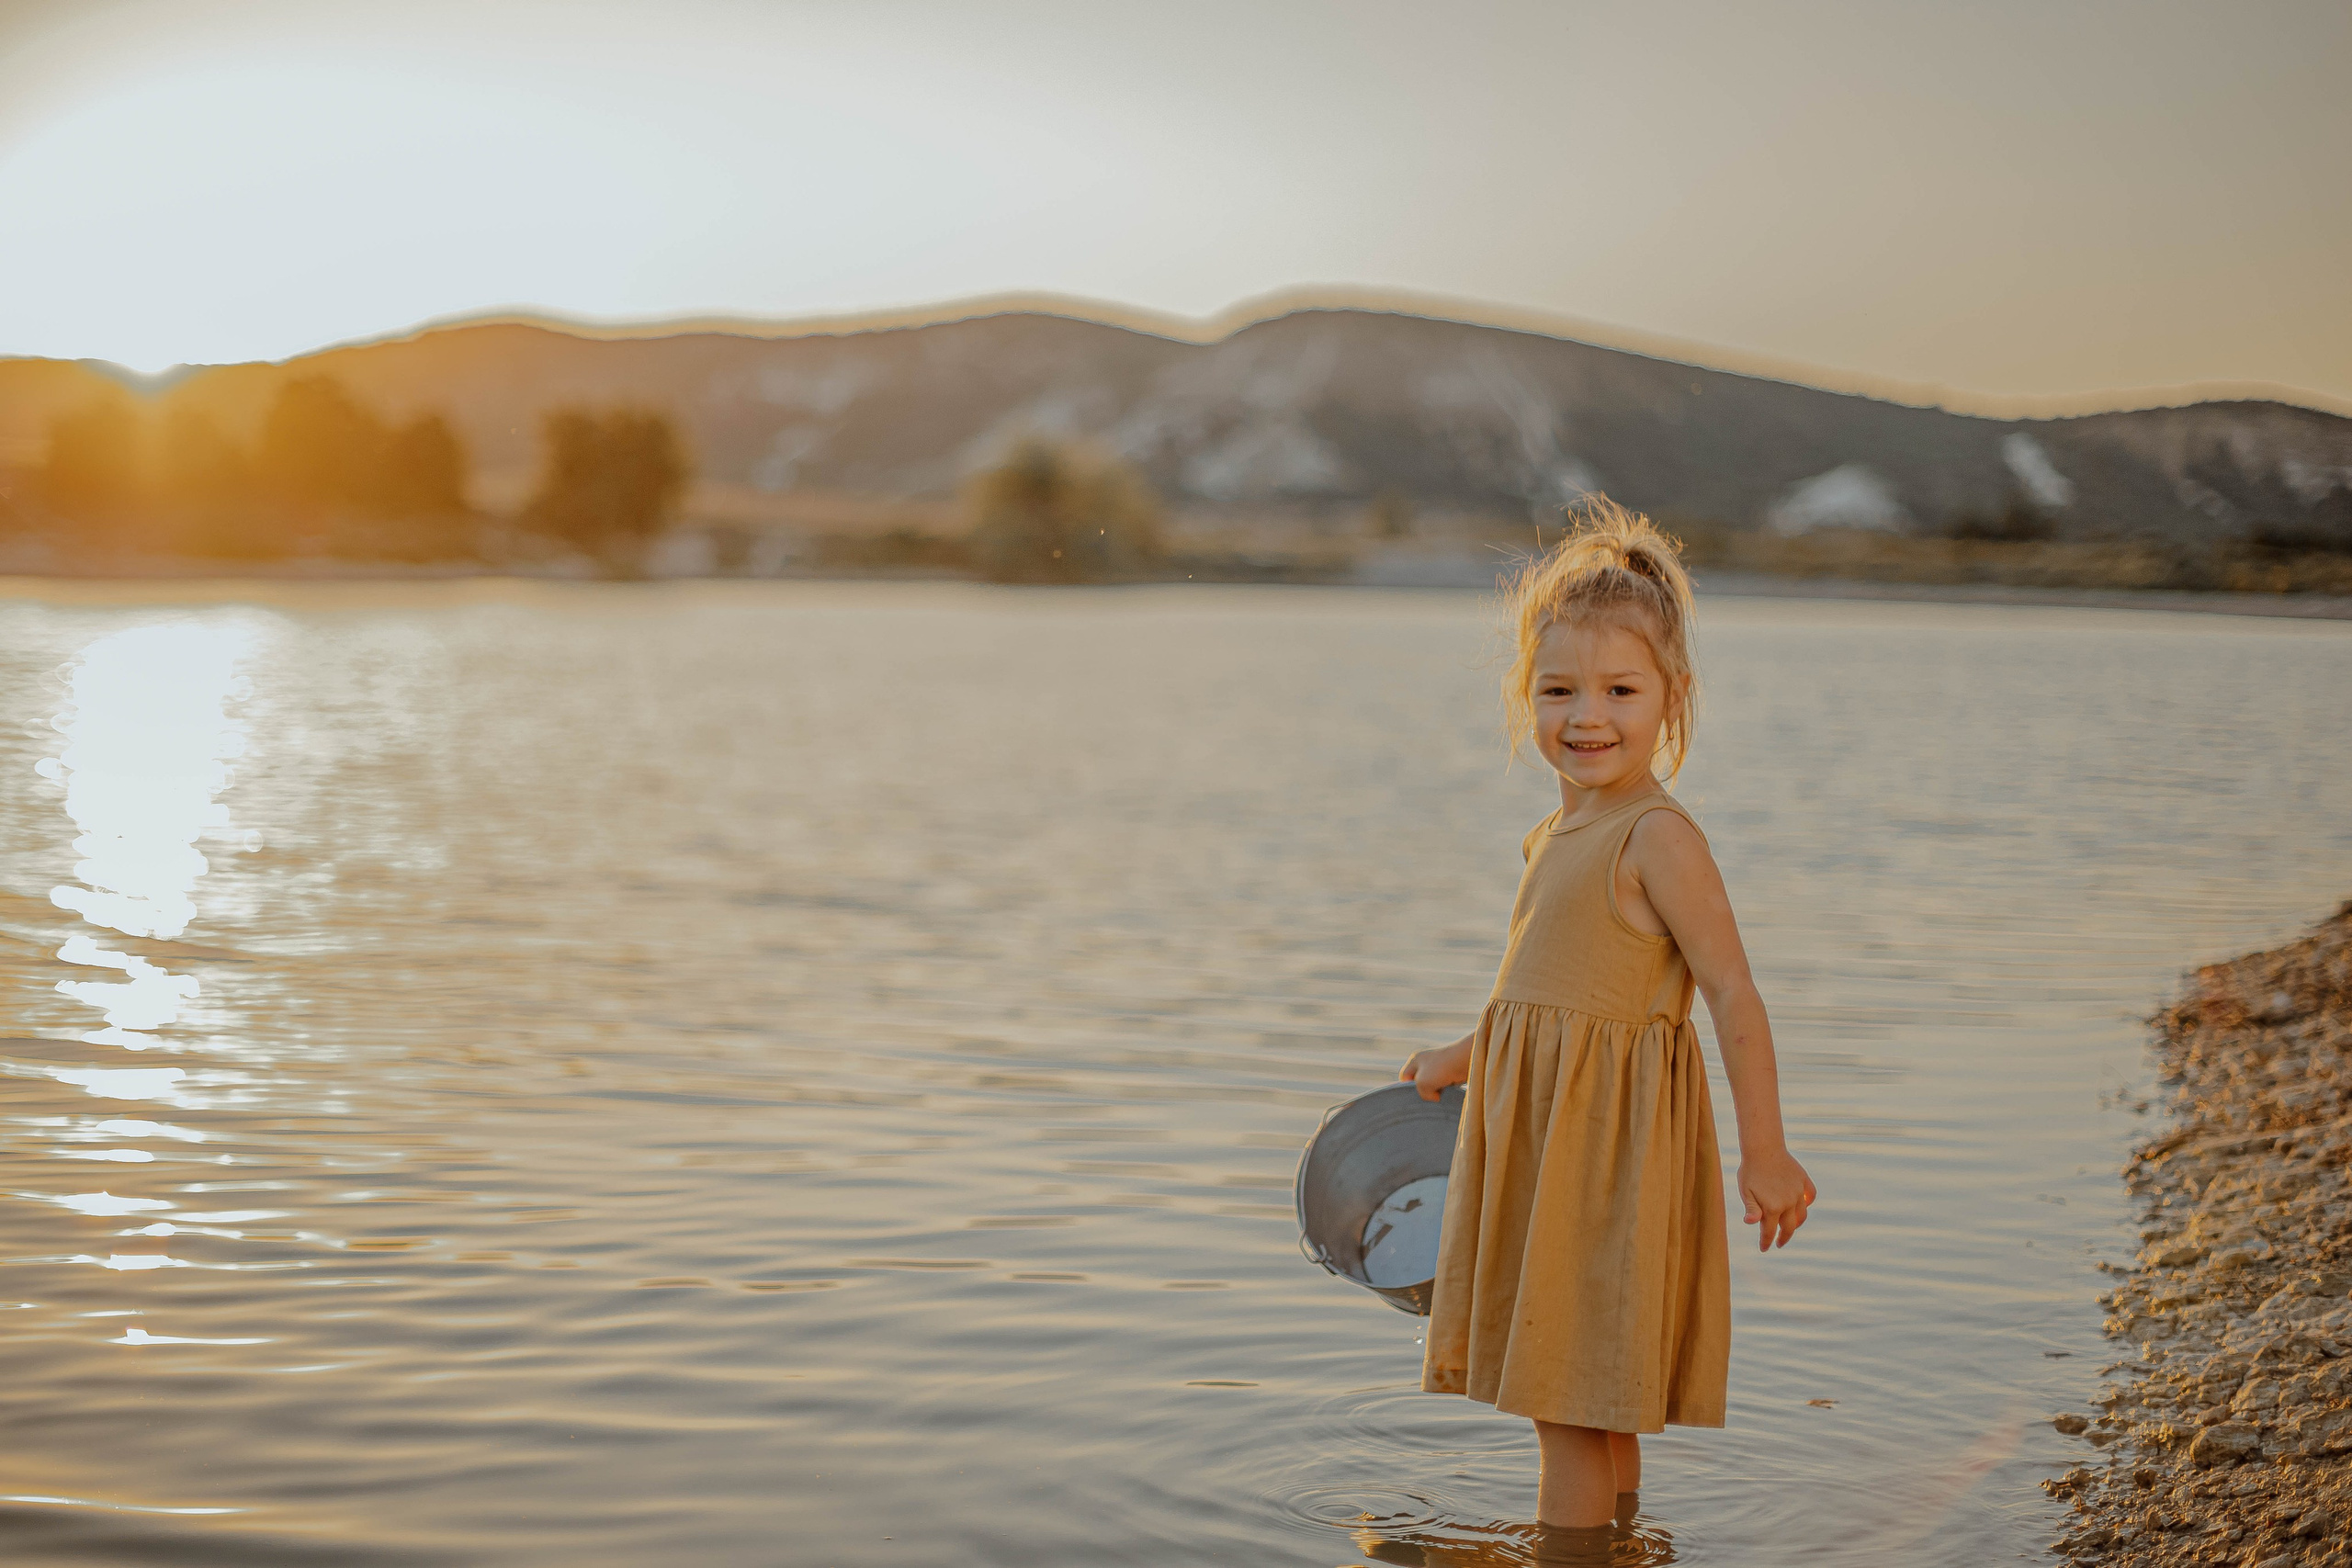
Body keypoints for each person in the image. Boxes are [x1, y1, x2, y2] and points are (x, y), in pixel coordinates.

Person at [1397, 498, 1815, 1548]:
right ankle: (1624, 1540)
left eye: (1620, 691)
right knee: (1587, 1390)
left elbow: (1731, 992)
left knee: (1567, 1398)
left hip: (1605, 1156)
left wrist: (1764, 1148)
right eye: (1558, 691)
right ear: (1523, 700)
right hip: (1552, 1144)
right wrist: (1466, 1051)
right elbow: (1548, 993)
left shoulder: (1657, 838)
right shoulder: (1560, 829)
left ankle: (1570, 1552)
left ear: (1672, 700)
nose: (1586, 716)